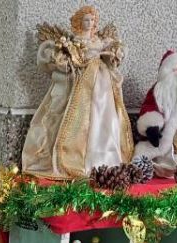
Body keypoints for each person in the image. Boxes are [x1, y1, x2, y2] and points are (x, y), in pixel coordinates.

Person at [21, 5, 134, 180]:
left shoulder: (99, 40)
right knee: (78, 118)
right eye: (86, 20)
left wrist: (114, 53)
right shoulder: (74, 41)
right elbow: (66, 59)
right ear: (79, 22)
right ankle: (75, 156)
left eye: (92, 20)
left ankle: (104, 157)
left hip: (101, 83)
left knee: (103, 117)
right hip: (81, 83)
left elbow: (114, 50)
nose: (90, 23)